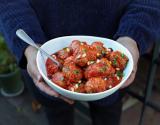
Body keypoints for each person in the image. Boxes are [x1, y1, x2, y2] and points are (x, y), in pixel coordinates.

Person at [0, 0, 160, 125]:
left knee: (108, 117)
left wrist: (131, 36)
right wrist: (30, 47)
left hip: (113, 76)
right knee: (57, 116)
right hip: (44, 57)